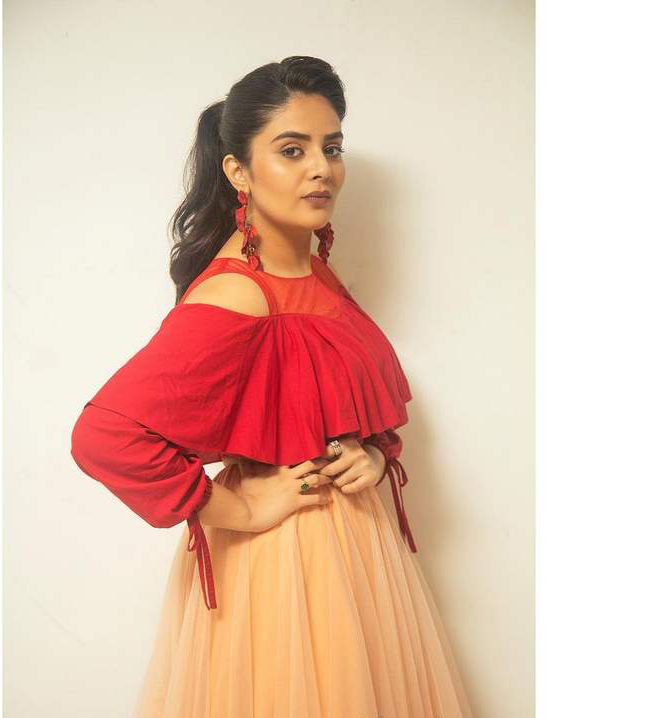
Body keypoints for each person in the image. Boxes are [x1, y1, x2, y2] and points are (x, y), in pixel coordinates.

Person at [70, 56, 475, 718]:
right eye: (292, 150)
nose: (322, 169)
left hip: (360, 555)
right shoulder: (238, 293)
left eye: (331, 148)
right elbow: (104, 435)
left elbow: (340, 398)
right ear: (239, 171)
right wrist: (241, 509)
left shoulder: (315, 272)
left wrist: (372, 455)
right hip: (283, 564)